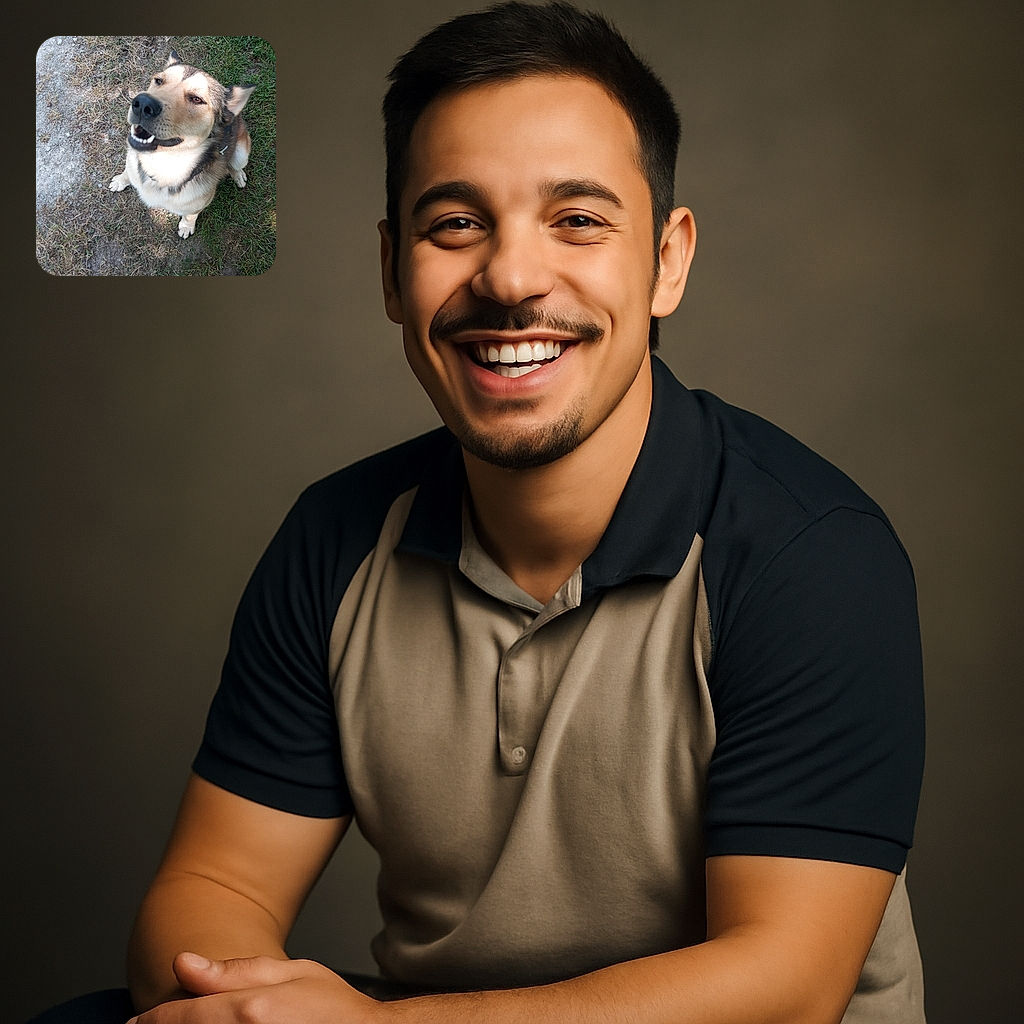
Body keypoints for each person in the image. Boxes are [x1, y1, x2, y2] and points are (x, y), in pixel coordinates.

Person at [125, 3, 926, 1022]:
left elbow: (784, 984)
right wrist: (240, 1004)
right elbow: (213, 892)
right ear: (390, 269)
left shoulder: (810, 554)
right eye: (454, 224)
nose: (508, 278)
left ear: (668, 261)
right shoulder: (336, 540)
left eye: (578, 220)